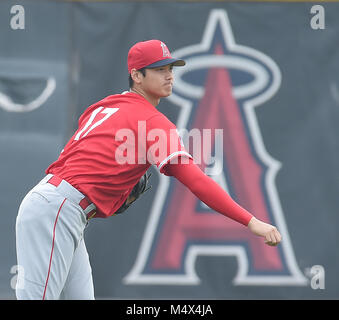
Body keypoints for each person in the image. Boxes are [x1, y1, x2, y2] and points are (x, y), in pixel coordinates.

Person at [15, 39, 281, 300]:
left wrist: (115, 192)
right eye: (159, 70)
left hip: (60, 207)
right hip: (57, 210)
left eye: (170, 69)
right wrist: (251, 221)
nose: (169, 76)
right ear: (136, 75)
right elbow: (196, 181)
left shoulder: (104, 107)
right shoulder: (152, 120)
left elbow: (82, 164)